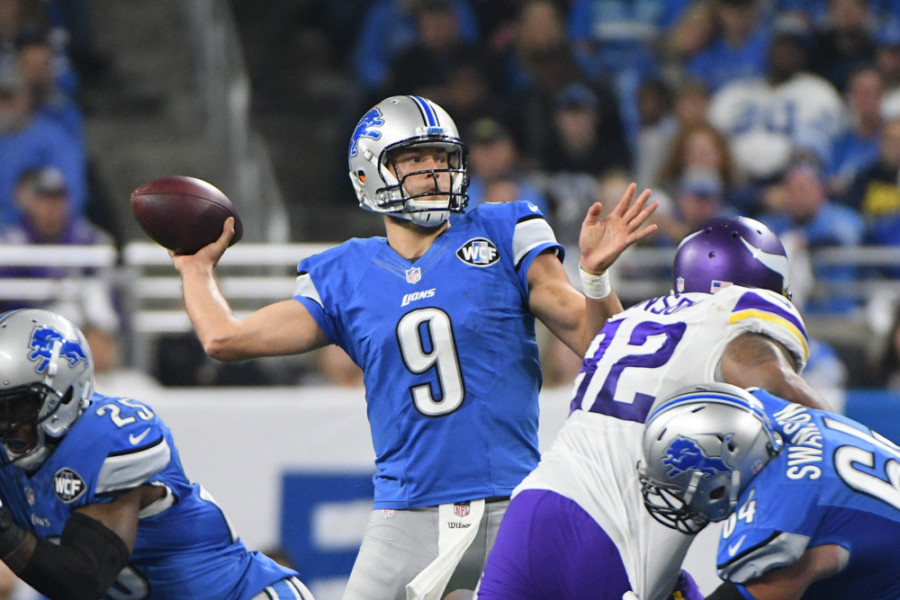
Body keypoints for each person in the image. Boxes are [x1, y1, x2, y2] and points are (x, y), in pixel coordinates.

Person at [168, 94, 658, 600]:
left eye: (442, 159)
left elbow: (602, 348)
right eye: (414, 160)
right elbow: (223, 338)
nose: (433, 172)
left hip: (511, 505)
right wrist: (195, 269)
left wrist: (596, 279)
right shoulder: (345, 272)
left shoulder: (502, 229)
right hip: (405, 515)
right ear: (368, 174)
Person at [474, 216, 831, 600]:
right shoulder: (734, 316)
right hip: (611, 537)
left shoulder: (631, 320)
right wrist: (862, 451)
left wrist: (595, 279)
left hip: (533, 507)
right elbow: (774, 380)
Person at [0, 308, 314, 599]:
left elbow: (86, 576)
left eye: (17, 405)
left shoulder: (106, 439)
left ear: (65, 393)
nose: (5, 422)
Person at [639, 381, 900, 600]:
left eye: (681, 484)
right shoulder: (769, 420)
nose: (679, 497)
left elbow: (764, 591)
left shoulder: (777, 516)